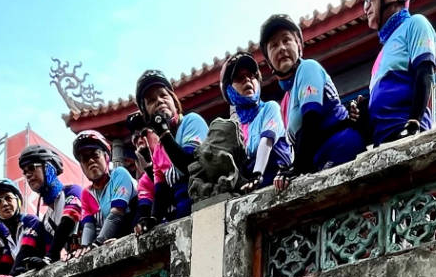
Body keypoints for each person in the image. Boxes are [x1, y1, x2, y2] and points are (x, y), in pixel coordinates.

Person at [259, 13, 366, 182]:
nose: (281, 48)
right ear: (268, 61)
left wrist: (297, 169)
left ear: (299, 46)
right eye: (273, 45)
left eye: (287, 40)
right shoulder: (286, 101)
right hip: (320, 161)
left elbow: (311, 119)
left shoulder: (307, 67)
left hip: (340, 149)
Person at [357, 0, 436, 144]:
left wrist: (414, 122)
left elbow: (424, 73)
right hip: (382, 141)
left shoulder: (416, 23)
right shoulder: (381, 53)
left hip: (406, 133)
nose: (366, 7)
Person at [127, 69, 207, 228]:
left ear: (174, 101)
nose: (159, 101)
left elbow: (190, 165)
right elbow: (161, 192)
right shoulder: (158, 150)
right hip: (183, 216)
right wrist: (153, 219)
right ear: (147, 115)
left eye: (163, 95)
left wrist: (163, 132)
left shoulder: (191, 121)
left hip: (205, 206)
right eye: (151, 100)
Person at [222, 52, 292, 189]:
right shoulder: (235, 128)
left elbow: (266, 141)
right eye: (239, 78)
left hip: (278, 181)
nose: (247, 80)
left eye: (252, 76)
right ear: (228, 90)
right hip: (252, 189)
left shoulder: (269, 108)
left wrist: (257, 174)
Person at [17, 144, 87, 259]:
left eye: (32, 167)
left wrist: (50, 256)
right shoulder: (46, 220)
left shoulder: (73, 191)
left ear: (49, 167)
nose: (28, 175)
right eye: (25, 172)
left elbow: (67, 223)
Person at [73, 131, 137, 247]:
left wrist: (97, 243)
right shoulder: (86, 194)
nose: (91, 161)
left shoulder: (119, 174)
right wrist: (83, 249)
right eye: (85, 158)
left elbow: (116, 214)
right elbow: (89, 226)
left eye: (95, 154)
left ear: (107, 157)